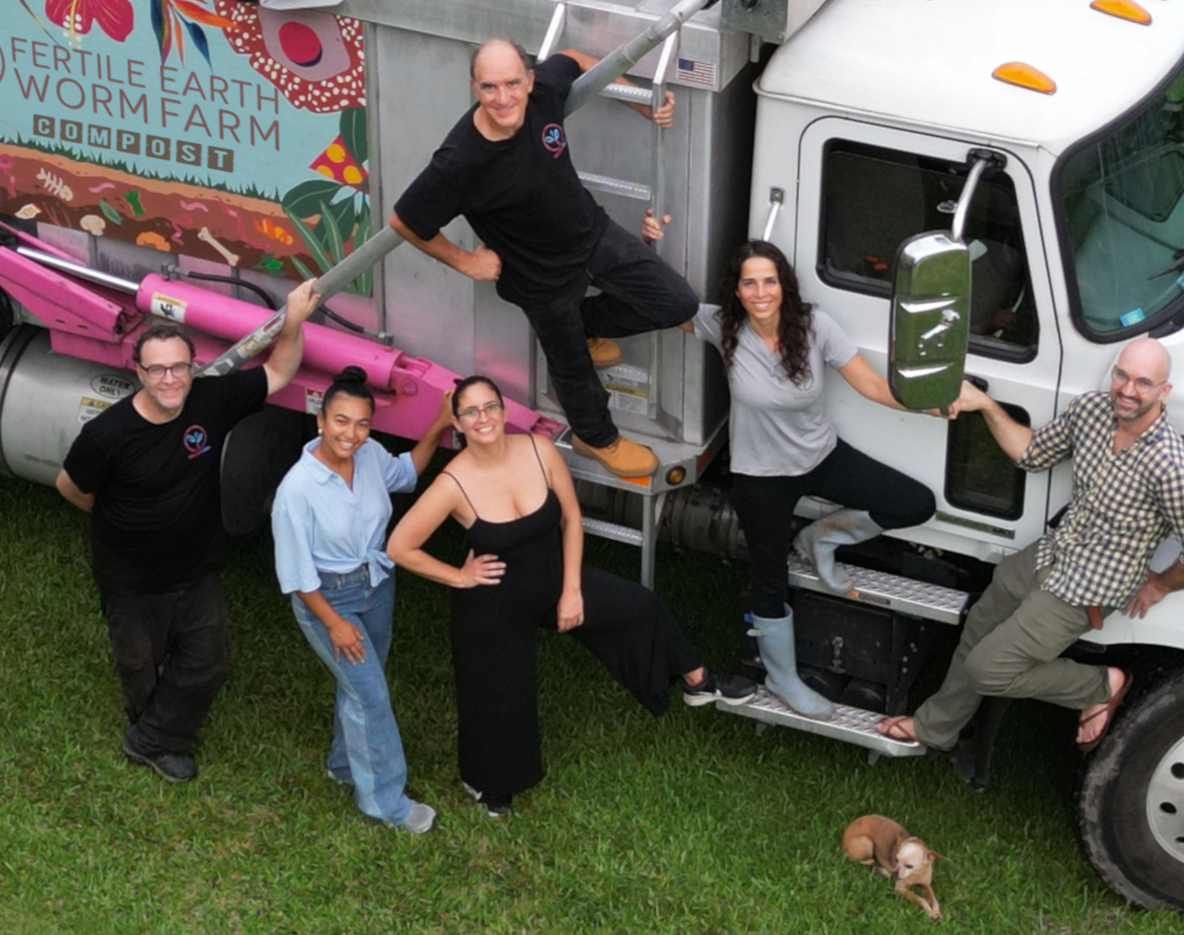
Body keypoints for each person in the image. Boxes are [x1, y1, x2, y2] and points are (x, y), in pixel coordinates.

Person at [389, 372, 726, 815]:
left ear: (504, 410)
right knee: (497, 694)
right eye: (470, 411)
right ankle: (490, 784)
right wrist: (460, 576)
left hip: (553, 578)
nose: (483, 417)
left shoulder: (539, 449)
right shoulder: (453, 483)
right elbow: (400, 546)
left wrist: (571, 592)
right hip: (493, 601)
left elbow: (570, 519)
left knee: (637, 605)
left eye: (490, 406)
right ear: (458, 423)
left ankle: (694, 677)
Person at [875, 335, 1184, 764]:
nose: (1128, 391)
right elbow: (1033, 454)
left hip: (1089, 586)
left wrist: (1161, 586)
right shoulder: (1092, 411)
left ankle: (1099, 686)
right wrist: (984, 405)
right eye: (1122, 376)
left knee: (989, 669)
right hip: (1052, 553)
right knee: (980, 621)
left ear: (1164, 392)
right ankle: (936, 727)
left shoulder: (1170, 466)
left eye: (1143, 383)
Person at [391, 37, 694, 485]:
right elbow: (404, 220)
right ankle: (598, 436)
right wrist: (465, 263)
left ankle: (585, 324)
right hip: (538, 279)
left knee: (676, 302)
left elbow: (577, 58)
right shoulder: (459, 161)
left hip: (591, 234)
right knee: (572, 369)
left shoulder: (544, 93)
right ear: (474, 87)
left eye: (513, 83)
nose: (503, 98)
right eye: (490, 87)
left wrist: (642, 106)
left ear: (530, 80)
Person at [54, 282, 318, 782]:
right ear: (139, 372)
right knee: (137, 664)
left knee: (207, 663)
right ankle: (150, 725)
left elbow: (279, 371)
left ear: (193, 367)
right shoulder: (106, 435)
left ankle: (151, 741)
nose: (170, 379)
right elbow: (71, 487)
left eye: (179, 367)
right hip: (129, 576)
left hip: (195, 569)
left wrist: (295, 320)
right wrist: (124, 520)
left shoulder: (211, 400)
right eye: (157, 369)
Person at [696, 238, 947, 718]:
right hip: (759, 475)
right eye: (749, 282)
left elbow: (871, 384)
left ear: (784, 284)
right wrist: (647, 242)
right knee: (768, 582)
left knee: (914, 503)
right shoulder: (723, 325)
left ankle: (820, 537)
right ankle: (783, 678)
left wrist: (932, 404)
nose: (761, 291)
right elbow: (664, 302)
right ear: (737, 290)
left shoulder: (813, 326)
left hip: (821, 456)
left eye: (769, 280)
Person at [272, 367, 457, 835]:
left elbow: (409, 471)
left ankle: (343, 765)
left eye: (361, 424)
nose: (350, 434)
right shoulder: (297, 489)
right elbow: (296, 576)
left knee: (358, 688)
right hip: (327, 598)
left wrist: (438, 423)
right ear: (320, 420)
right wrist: (333, 623)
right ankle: (386, 803)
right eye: (340, 421)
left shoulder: (371, 455)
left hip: (377, 586)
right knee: (372, 697)